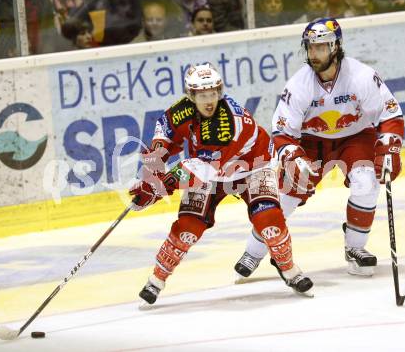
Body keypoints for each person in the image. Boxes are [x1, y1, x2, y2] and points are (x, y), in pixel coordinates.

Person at [129, 63, 313, 305]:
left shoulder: (226, 123)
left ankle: (289, 270)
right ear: (191, 96)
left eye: (213, 94)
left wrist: (158, 188)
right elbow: (163, 138)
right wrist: (151, 177)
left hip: (251, 166)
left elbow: (200, 170)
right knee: (187, 227)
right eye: (203, 95)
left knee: (268, 221)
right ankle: (156, 280)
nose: (209, 101)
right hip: (210, 171)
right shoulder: (180, 112)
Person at [234, 18, 404, 280]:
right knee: (287, 195)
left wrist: (389, 146)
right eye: (310, 47)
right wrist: (292, 156)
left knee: (366, 183)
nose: (314, 54)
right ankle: (254, 250)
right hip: (311, 142)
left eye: (321, 47)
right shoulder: (298, 85)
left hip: (355, 137)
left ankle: (355, 249)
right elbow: (282, 132)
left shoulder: (361, 76)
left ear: (335, 47)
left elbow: (389, 114)